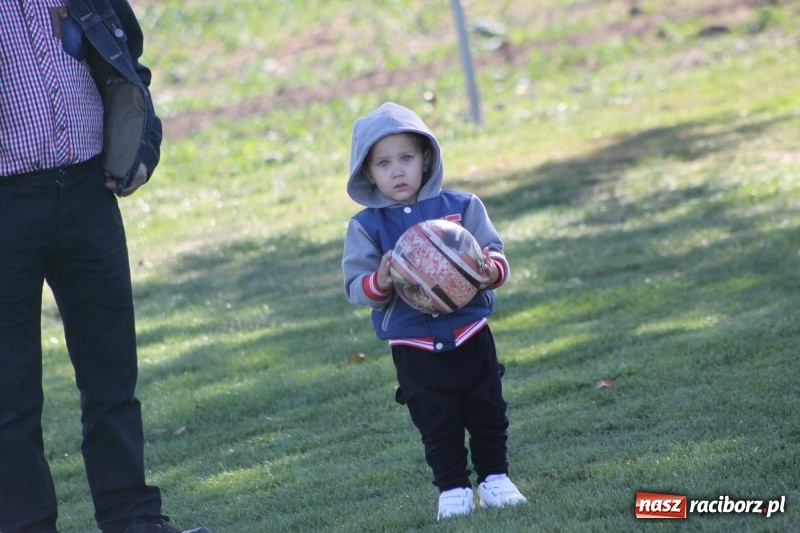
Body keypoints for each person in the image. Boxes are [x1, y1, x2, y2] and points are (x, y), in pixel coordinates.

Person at [0, 2, 212, 532]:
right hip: (6, 202)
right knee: (9, 393)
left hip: (89, 192)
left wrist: (142, 145)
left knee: (112, 376)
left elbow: (126, 59)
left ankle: (133, 520)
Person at [342, 102, 528, 520]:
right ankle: (453, 489)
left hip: (469, 332)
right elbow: (356, 286)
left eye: (406, 158)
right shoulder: (366, 227)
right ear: (367, 173)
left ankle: (495, 479)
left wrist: (485, 270)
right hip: (414, 343)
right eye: (383, 163)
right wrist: (383, 281)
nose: (397, 171)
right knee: (435, 420)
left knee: (487, 408)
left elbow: (495, 255)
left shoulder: (461, 207)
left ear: (426, 157)